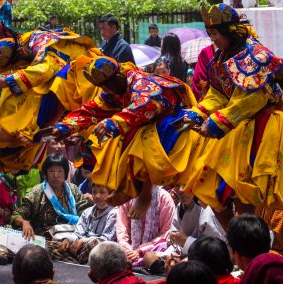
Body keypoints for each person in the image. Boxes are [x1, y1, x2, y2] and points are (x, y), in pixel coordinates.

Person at [52, 56, 198, 219]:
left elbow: (145, 105)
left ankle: (144, 194)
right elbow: (91, 109)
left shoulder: (140, 81)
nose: (105, 91)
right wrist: (65, 127)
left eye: (106, 86)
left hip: (167, 118)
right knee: (99, 143)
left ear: (116, 78)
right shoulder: (113, 90)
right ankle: (125, 188)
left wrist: (114, 122)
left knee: (137, 138)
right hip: (140, 122)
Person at [0, 28, 102, 173]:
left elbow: (44, 70)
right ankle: (11, 145)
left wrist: (7, 81)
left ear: (21, 54)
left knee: (31, 94)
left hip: (83, 74)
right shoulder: (19, 46)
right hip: (55, 88)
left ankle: (19, 138)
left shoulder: (41, 46)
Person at [183, 3, 283, 213]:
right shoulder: (222, 57)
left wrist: (218, 121)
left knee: (254, 195)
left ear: (229, 30)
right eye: (210, 34)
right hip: (237, 127)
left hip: (264, 126)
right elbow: (217, 93)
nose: (213, 39)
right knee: (223, 194)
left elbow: (254, 98)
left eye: (216, 33)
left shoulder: (255, 54)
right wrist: (197, 113)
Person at [12, 153, 89, 239]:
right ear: (46, 174)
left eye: (60, 171)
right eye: (51, 171)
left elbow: (85, 214)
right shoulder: (37, 192)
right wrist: (24, 222)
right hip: (46, 238)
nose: (56, 175)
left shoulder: (73, 190)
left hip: (72, 235)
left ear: (65, 173)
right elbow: (16, 215)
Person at [48, 184, 117, 264]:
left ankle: (79, 264)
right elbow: (78, 234)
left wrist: (83, 241)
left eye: (102, 192)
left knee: (95, 244)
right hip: (80, 249)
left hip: (100, 251)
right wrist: (67, 240)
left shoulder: (114, 212)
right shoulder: (87, 212)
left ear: (110, 194)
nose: (97, 196)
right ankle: (77, 265)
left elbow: (106, 239)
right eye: (94, 192)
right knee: (51, 245)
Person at [117, 186, 175, 267]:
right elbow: (122, 228)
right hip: (128, 252)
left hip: (153, 251)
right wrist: (128, 250)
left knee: (150, 260)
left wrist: (140, 251)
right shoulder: (128, 197)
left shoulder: (164, 198)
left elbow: (165, 233)